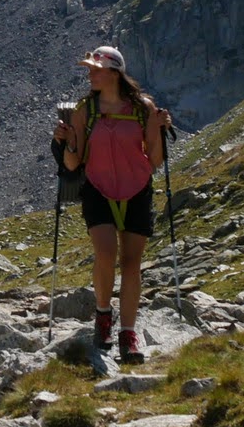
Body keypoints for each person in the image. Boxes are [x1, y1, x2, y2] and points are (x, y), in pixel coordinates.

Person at [51, 46, 171, 365]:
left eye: (96, 69)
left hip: (137, 190)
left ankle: (128, 333)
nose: (90, 73)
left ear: (114, 73)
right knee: (105, 253)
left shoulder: (143, 108)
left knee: (131, 264)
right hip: (98, 189)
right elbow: (73, 164)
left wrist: (157, 129)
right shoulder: (84, 110)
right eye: (90, 69)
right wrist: (67, 141)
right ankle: (103, 314)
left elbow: (155, 160)